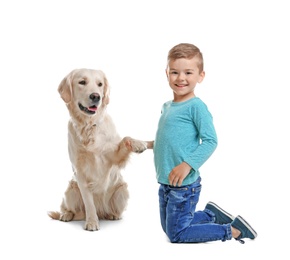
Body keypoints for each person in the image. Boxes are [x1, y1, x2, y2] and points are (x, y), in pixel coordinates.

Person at [146, 43, 257, 244]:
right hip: (165, 182)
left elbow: (210, 141)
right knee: (168, 227)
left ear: (201, 76)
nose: (181, 78)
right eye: (175, 72)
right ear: (166, 74)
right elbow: (168, 142)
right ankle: (210, 215)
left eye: (188, 72)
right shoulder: (167, 106)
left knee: (176, 234)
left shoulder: (196, 107)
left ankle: (233, 231)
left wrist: (186, 165)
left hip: (183, 186)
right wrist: (145, 145)